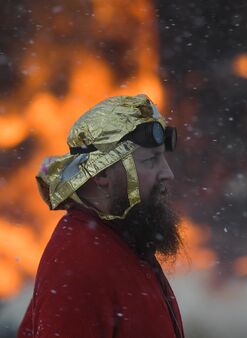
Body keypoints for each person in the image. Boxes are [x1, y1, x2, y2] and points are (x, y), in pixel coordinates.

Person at [18, 94, 185, 338]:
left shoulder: (123, 242)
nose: (167, 173)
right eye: (151, 160)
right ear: (102, 174)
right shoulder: (79, 261)